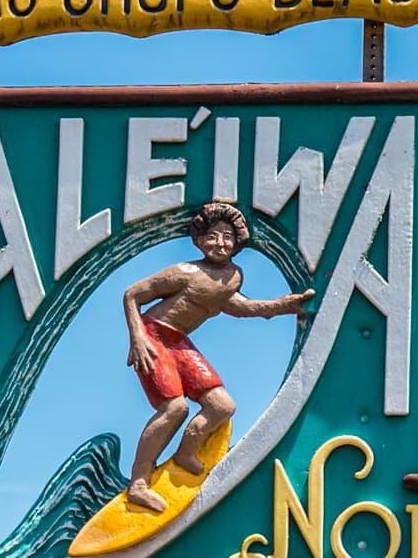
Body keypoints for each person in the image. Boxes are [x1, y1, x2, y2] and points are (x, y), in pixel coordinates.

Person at [120, 202, 311, 512]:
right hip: (154, 336)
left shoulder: (232, 277)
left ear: (238, 242)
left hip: (178, 341)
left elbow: (237, 306)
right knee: (175, 407)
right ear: (198, 240)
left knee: (222, 406)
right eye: (212, 236)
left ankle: (186, 452)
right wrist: (138, 338)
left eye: (227, 237)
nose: (220, 244)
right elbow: (133, 294)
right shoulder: (186, 271)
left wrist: (283, 306)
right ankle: (139, 483)